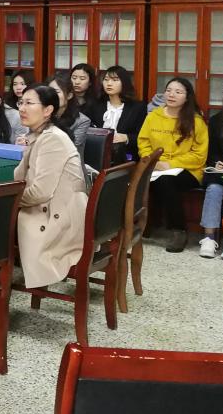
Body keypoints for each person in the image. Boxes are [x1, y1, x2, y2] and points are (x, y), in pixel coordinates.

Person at [14, 85, 89, 289]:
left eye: (29, 103)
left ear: (47, 110)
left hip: (59, 219)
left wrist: (9, 201)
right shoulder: (40, 135)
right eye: (21, 102)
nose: (22, 108)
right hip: (56, 208)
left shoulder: (52, 139)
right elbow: (20, 177)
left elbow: (39, 193)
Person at [138, 77, 208, 253]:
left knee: (166, 182)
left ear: (187, 97)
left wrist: (170, 164)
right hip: (155, 166)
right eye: (168, 90)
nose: (171, 95)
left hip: (189, 169)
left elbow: (199, 155)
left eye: (178, 92)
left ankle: (179, 230)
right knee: (138, 179)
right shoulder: (153, 116)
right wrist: (153, 160)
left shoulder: (196, 121)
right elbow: (143, 142)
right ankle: (142, 224)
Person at [199, 77, 223, 259]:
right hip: (222, 173)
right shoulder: (217, 120)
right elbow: (212, 152)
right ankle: (209, 238)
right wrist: (218, 163)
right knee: (213, 188)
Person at [98, 65, 146, 164]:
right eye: (106, 80)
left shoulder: (137, 107)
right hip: (98, 154)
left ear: (124, 83)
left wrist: (126, 137)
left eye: (115, 80)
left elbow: (143, 136)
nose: (109, 83)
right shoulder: (96, 105)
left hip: (126, 156)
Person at [43, 74, 91, 156]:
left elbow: (71, 149)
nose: (52, 95)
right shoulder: (42, 116)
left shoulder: (82, 121)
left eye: (56, 92)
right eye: (50, 92)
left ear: (69, 96)